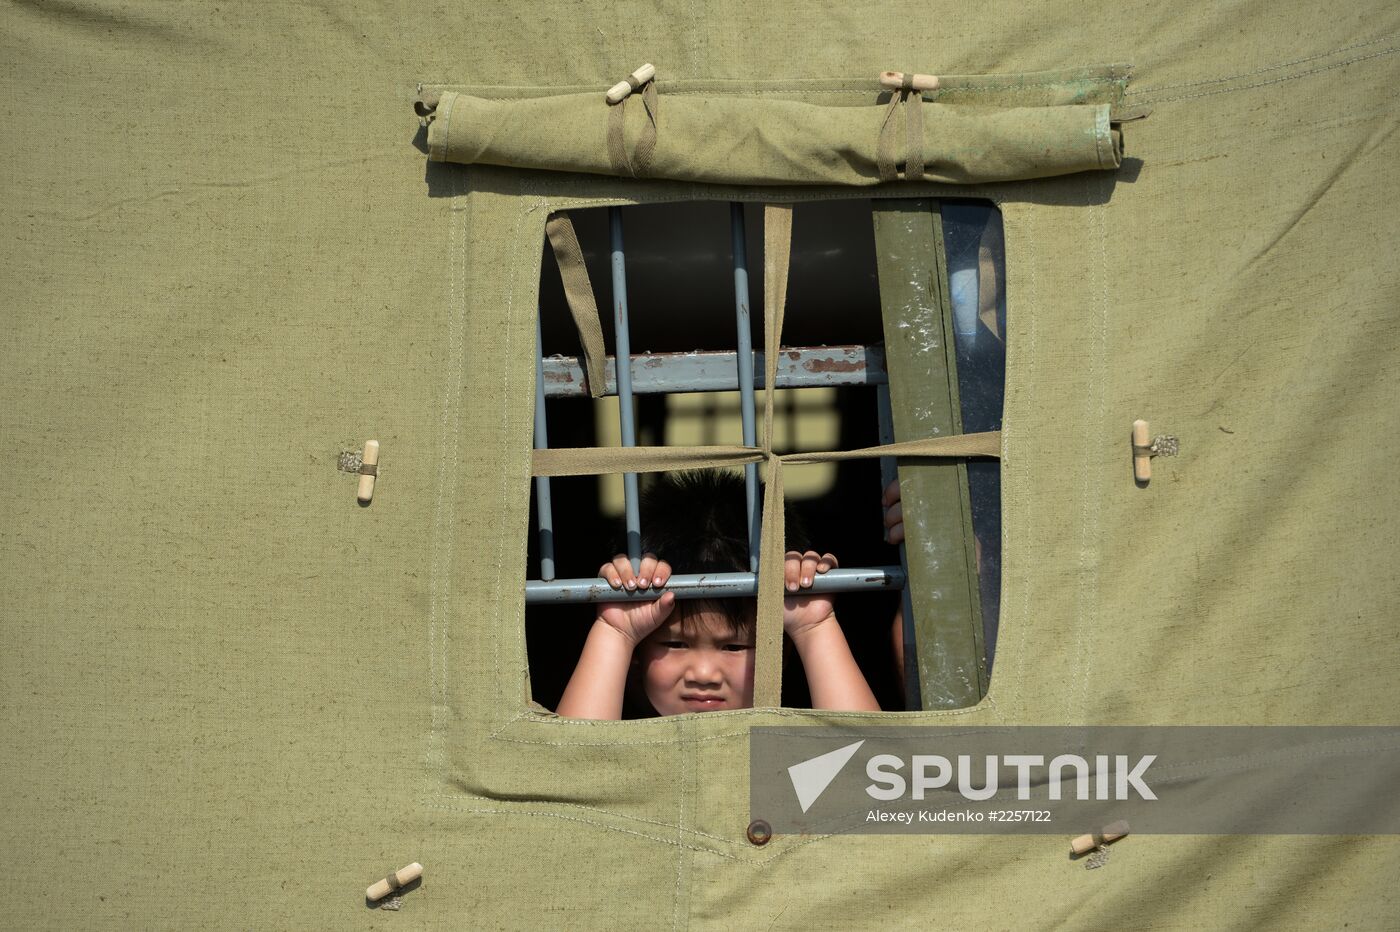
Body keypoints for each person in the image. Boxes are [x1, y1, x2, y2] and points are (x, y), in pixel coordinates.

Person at [556, 470, 884, 719]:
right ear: (638, 653)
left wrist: (814, 628)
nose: (703, 675)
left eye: (734, 646)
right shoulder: (620, 742)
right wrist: (615, 631)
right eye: (675, 643)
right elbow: (568, 772)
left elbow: (868, 778)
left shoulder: (790, 745)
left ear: (780, 651)